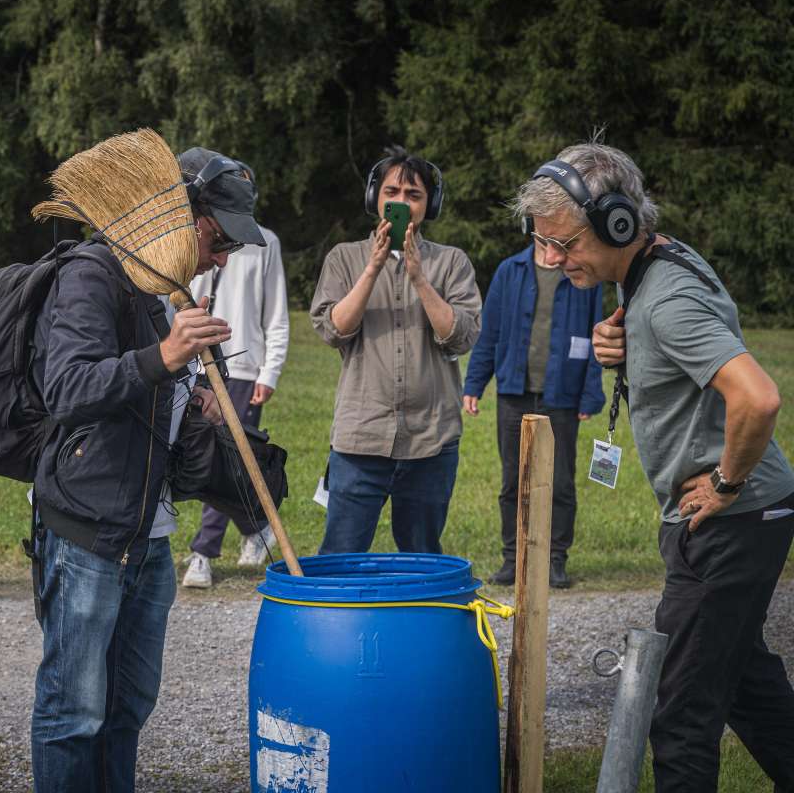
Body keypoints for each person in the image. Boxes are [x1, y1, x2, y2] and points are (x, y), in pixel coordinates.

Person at [515, 140, 794, 792]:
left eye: (565, 245)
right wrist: (625, 348)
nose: (553, 260)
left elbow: (758, 396)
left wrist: (725, 481)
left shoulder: (666, 298)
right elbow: (680, 345)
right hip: (750, 517)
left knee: (680, 714)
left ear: (618, 222)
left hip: (730, 523)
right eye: (545, 245)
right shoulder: (656, 268)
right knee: (746, 684)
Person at [29, 145, 264, 792]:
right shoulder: (92, 273)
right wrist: (164, 357)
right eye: (218, 240)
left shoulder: (164, 290)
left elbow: (150, 403)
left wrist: (196, 404)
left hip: (149, 537)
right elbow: (69, 388)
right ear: (178, 215)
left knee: (127, 710)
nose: (222, 259)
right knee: (73, 714)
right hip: (88, 536)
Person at [310, 146, 481, 555]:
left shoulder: (452, 263)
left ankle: (420, 621)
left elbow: (461, 336)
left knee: (423, 556)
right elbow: (333, 329)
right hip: (360, 440)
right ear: (375, 198)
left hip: (431, 440)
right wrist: (373, 268)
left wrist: (420, 278)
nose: (401, 202)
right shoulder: (344, 258)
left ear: (429, 204)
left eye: (414, 195)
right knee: (341, 556)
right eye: (392, 192)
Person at [462, 235, 605, 588]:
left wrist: (590, 393)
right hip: (514, 392)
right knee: (513, 481)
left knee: (560, 482)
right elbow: (489, 333)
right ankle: (513, 558)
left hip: (563, 395)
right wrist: (474, 384)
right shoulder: (509, 271)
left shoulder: (583, 275)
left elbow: (597, 334)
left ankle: (556, 559)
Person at [181, 222, 289, 588]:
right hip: (190, 361)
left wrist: (269, 372)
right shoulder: (189, 233)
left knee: (222, 457)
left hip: (241, 366)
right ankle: (258, 527)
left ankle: (204, 552)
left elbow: (276, 311)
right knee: (202, 457)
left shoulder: (264, 242)